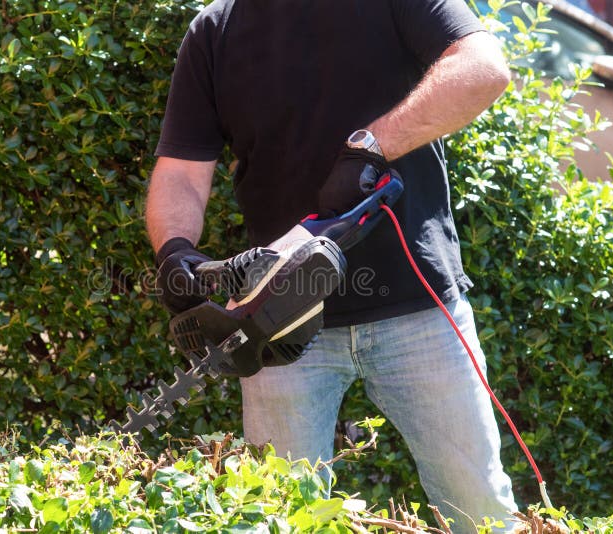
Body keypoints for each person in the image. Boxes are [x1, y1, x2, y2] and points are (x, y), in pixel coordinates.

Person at [145, 1, 516, 531]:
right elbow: (182, 170)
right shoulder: (216, 29)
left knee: (479, 509)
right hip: (276, 324)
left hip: (419, 308)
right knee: (280, 516)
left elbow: (484, 68)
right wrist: (175, 250)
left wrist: (371, 148)